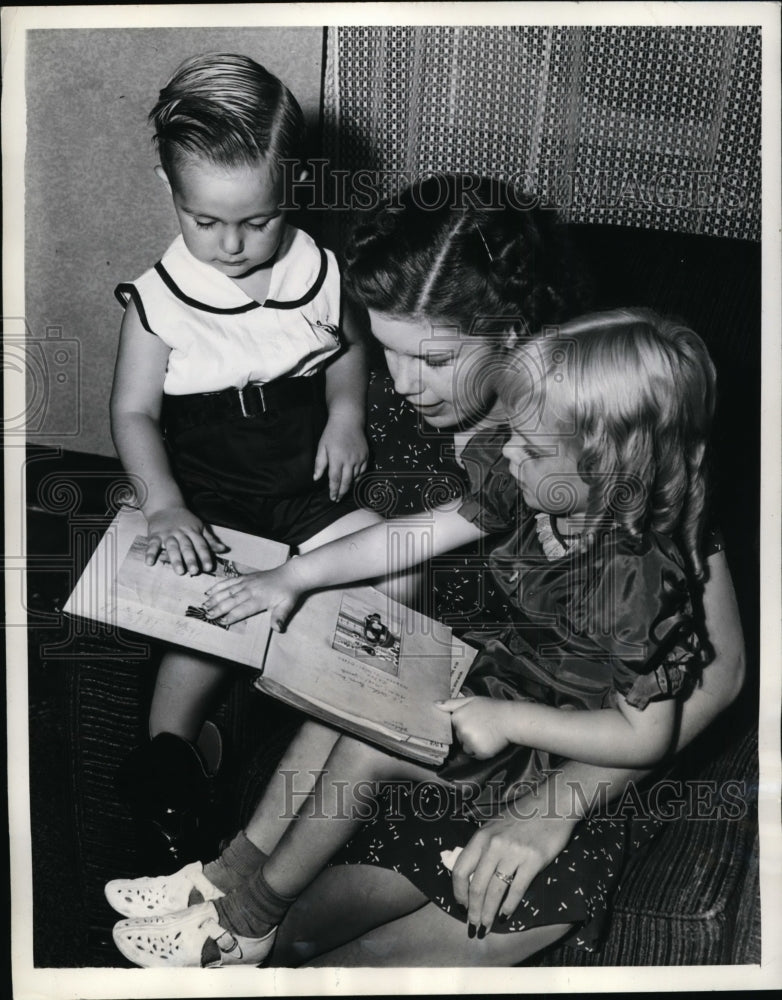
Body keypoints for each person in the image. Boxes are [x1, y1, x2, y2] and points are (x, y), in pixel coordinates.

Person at [104, 176, 744, 966]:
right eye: (385, 349)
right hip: (461, 707)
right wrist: (262, 574)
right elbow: (358, 532)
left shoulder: (593, 428)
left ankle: (244, 913)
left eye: (433, 358)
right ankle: (231, 889)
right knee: (302, 922)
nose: (403, 386)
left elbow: (713, 676)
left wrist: (554, 805)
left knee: (358, 947)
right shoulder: (394, 422)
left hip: (568, 744)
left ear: (512, 336)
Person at [109, 53, 383, 864]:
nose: (231, 245)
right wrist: (162, 501)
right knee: (201, 621)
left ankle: (316, 701)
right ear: (170, 190)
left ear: (291, 185)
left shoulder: (321, 271)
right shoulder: (158, 298)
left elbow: (348, 350)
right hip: (210, 484)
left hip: (301, 475)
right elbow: (132, 410)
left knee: (380, 552)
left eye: (257, 221)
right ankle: (169, 753)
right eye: (207, 221)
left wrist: (345, 415)